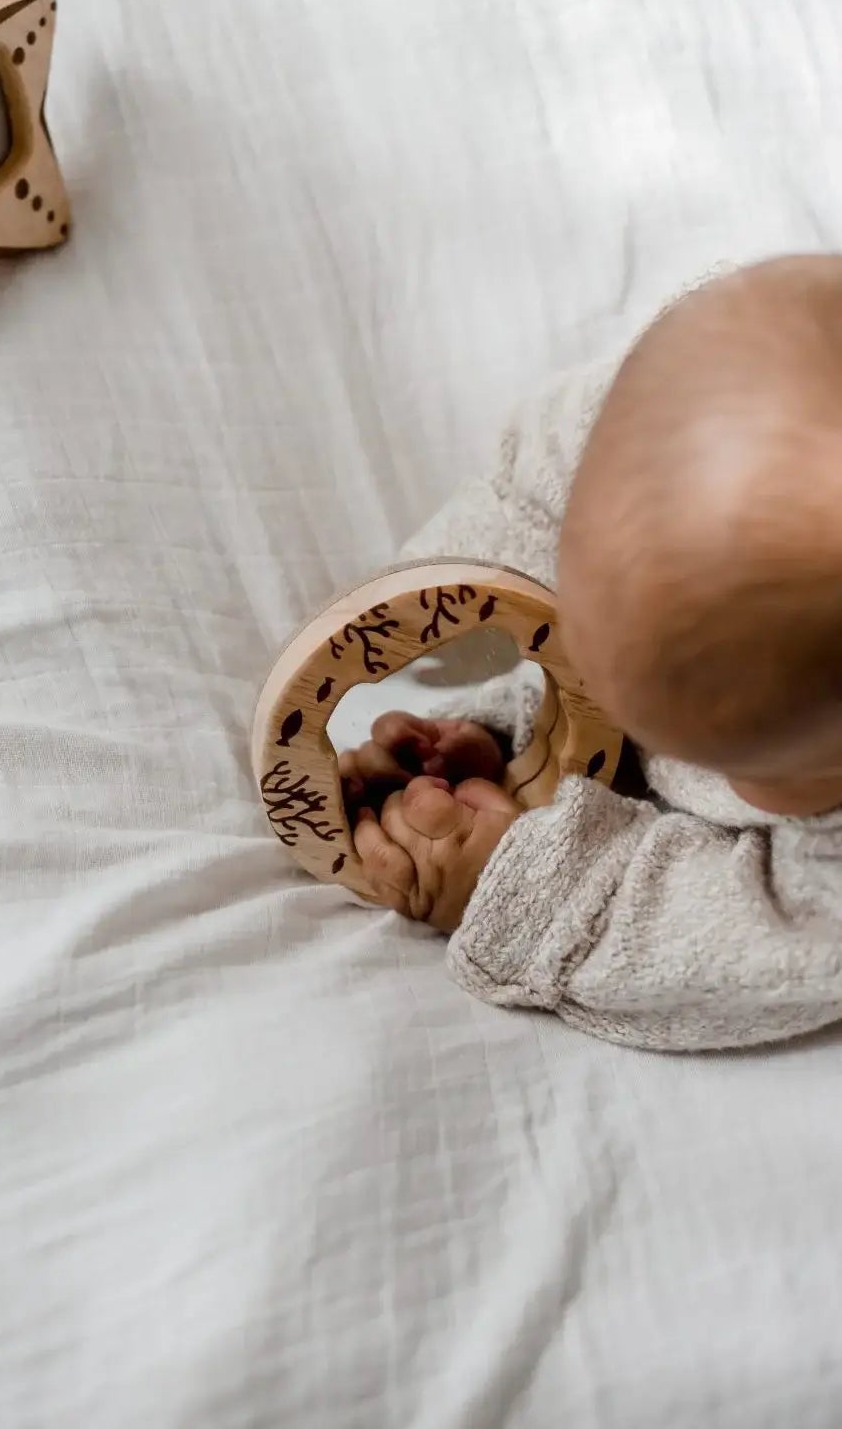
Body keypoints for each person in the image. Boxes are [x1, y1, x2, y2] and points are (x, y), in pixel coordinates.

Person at [341, 255, 842, 1051]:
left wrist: (533, 878)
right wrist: (512, 707)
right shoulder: (649, 409)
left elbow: (766, 941)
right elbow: (539, 489)